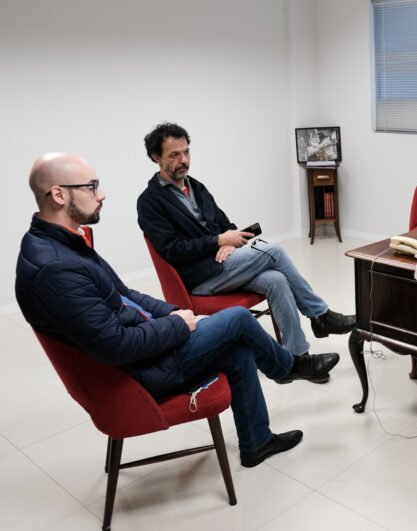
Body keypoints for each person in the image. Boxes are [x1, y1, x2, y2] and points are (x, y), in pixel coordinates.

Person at [16, 152, 340, 468]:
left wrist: (173, 312)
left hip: (149, 346)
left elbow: (127, 295)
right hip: (140, 371)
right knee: (240, 318)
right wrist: (178, 326)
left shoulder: (65, 245)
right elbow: (115, 345)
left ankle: (257, 443)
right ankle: (288, 367)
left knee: (241, 349)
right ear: (59, 195)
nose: (102, 195)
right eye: (91, 186)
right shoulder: (57, 268)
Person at [137, 123, 355, 376]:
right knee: (274, 251)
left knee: (276, 280)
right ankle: (320, 315)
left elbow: (225, 224)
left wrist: (228, 242)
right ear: (156, 157)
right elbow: (172, 250)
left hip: (222, 265)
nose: (183, 160)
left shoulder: (196, 186)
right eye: (174, 155)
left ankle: (298, 358)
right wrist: (218, 241)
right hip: (199, 277)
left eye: (186, 152)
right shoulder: (150, 201)